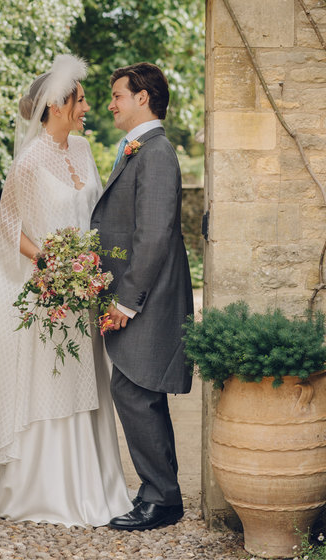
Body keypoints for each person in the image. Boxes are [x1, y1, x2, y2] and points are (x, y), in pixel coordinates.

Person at [0, 54, 132, 527]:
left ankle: (98, 484)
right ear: (59, 104)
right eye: (82, 98)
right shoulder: (27, 163)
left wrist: (96, 269)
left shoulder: (84, 150)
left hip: (85, 291)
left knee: (90, 375)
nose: (88, 106)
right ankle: (48, 489)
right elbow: (9, 229)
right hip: (52, 293)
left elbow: (98, 214)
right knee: (56, 380)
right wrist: (50, 263)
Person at [90, 62, 194, 532]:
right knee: (139, 391)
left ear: (143, 98)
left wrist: (125, 301)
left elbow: (152, 235)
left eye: (117, 95)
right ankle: (160, 491)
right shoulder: (139, 149)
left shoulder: (156, 153)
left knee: (134, 390)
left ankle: (163, 499)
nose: (110, 104)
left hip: (148, 297)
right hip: (141, 293)